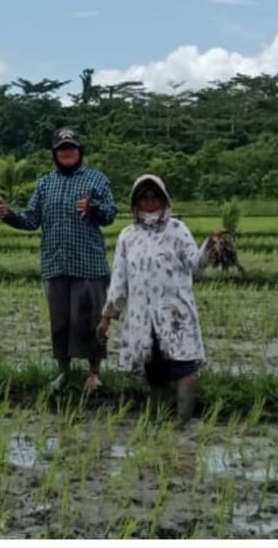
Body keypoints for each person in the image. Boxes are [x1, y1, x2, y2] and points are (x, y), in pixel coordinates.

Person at [0, 128, 117, 394]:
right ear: (55, 153)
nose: (67, 152)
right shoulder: (45, 184)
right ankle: (63, 372)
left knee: (90, 320)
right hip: (55, 263)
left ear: (80, 151)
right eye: (62, 149)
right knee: (60, 322)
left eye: (72, 147)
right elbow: (31, 219)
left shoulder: (97, 179)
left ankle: (94, 374)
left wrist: (94, 208)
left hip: (88, 263)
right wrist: (9, 216)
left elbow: (111, 215)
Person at [97, 175, 216, 422]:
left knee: (185, 368)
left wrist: (211, 247)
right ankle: (157, 425)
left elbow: (194, 262)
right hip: (143, 317)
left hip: (175, 313)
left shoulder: (177, 230)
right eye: (144, 197)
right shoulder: (127, 236)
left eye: (154, 196)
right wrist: (107, 316)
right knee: (154, 373)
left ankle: (183, 423)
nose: (149, 202)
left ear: (163, 199)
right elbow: (119, 281)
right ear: (136, 202)